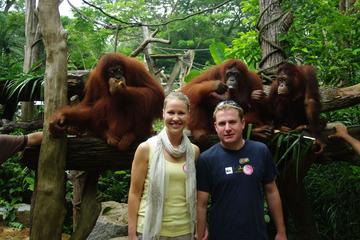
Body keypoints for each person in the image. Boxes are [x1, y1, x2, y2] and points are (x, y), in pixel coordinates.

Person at [196, 100, 287, 240]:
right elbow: (201, 204)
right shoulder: (206, 159)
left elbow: (272, 191)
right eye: (222, 123)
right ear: (215, 127)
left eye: (232, 122)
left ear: (243, 123)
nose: (227, 128)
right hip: (221, 234)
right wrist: (201, 233)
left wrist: (281, 231)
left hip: (256, 234)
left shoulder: (260, 151)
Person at [127, 91, 200, 240]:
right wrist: (131, 232)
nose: (175, 118)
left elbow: (196, 194)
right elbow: (134, 192)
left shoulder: (193, 151)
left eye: (181, 113)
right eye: (171, 112)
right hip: (149, 229)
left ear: (188, 116)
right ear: (163, 114)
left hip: (184, 230)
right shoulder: (146, 148)